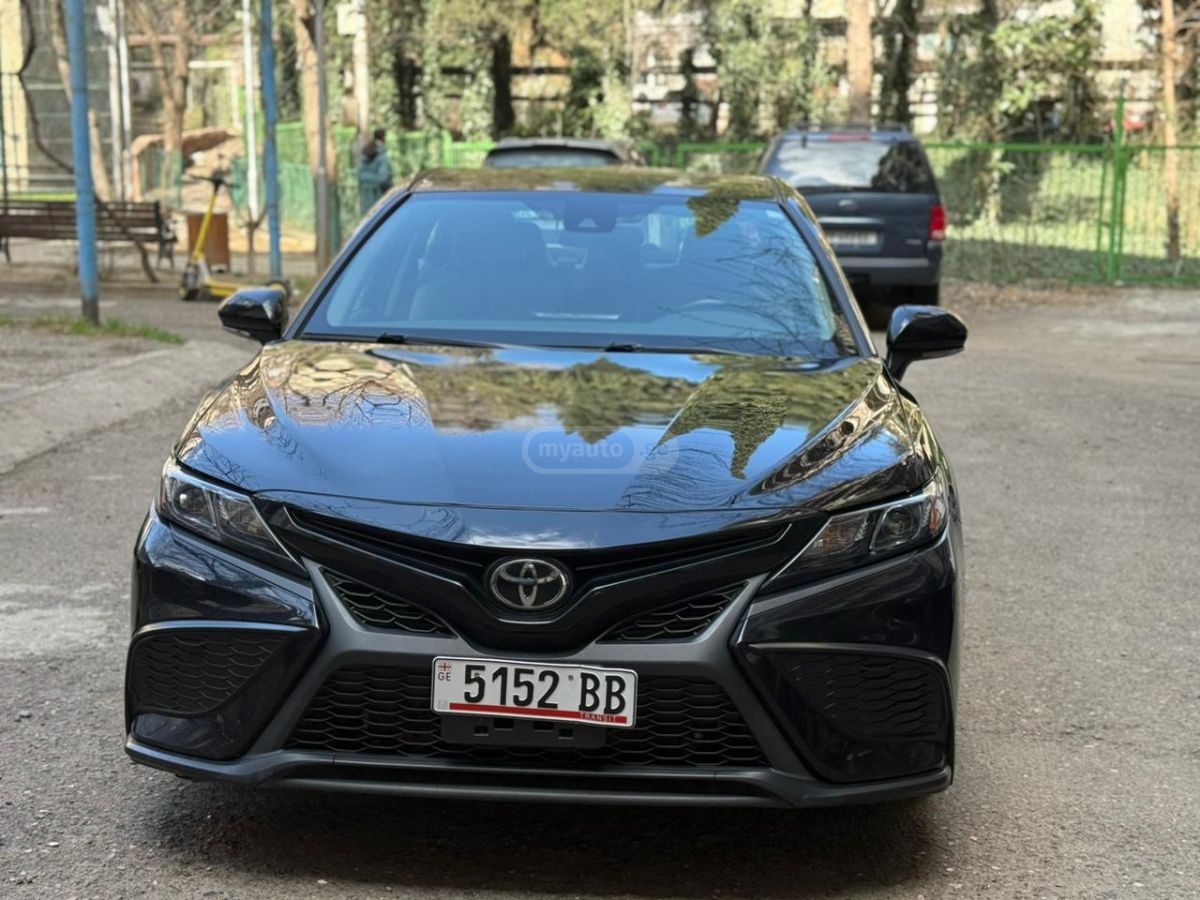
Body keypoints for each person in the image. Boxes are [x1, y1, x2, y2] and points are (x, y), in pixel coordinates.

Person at [357, 129, 393, 215]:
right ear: (384, 138)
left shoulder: (366, 152)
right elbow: (383, 179)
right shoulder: (382, 156)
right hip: (380, 201)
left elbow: (360, 175)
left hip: (366, 201)